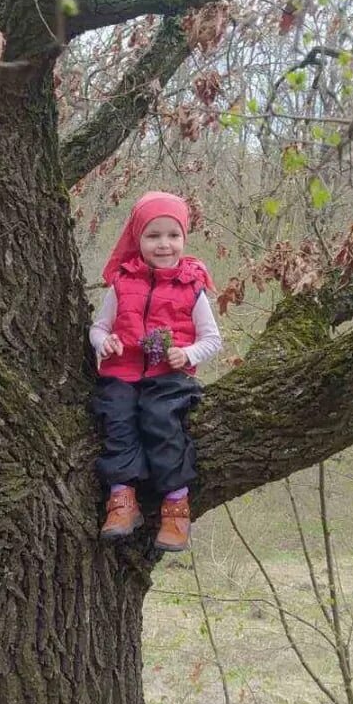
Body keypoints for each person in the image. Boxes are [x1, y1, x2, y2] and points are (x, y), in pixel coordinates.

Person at [90, 191, 222, 551]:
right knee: (117, 419)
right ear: (138, 239)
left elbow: (213, 339)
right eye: (153, 236)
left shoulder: (192, 288)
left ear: (184, 238)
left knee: (161, 421)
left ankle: (176, 505)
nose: (164, 245)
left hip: (168, 378)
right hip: (123, 372)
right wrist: (103, 343)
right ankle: (121, 499)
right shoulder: (122, 283)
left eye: (172, 235)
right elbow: (99, 327)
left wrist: (187, 352)